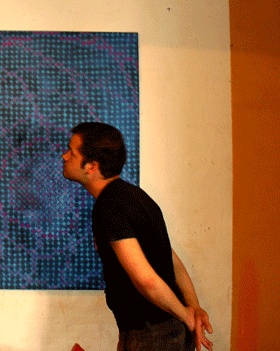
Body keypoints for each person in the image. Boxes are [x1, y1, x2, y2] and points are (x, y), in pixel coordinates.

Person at [61, 122, 213, 351]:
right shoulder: (136, 196)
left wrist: (188, 316)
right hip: (163, 332)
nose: (64, 156)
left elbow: (146, 280)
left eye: (72, 153)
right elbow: (172, 260)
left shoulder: (110, 206)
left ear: (92, 166)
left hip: (152, 336)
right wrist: (193, 307)